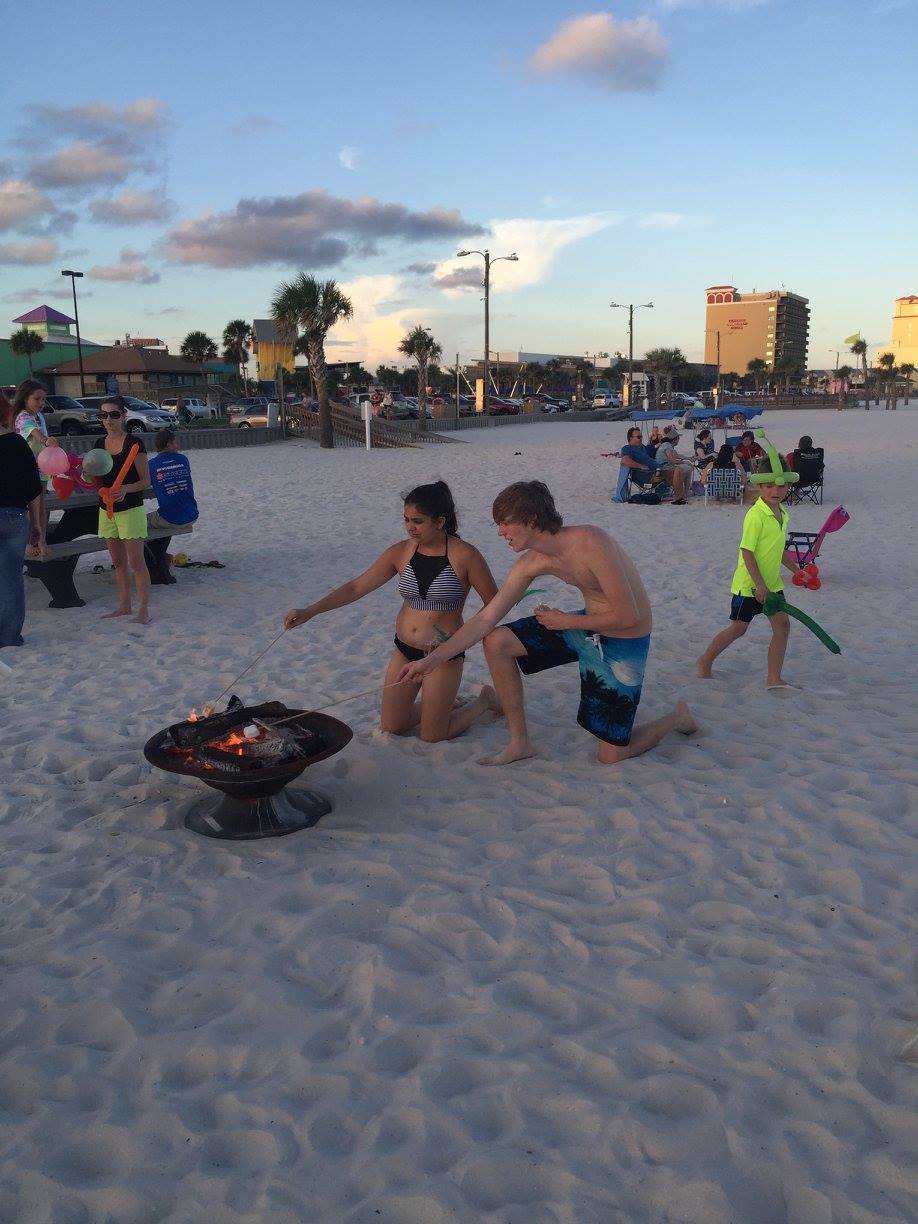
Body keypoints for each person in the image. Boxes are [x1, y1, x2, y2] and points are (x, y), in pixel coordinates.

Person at [397, 480, 697, 766]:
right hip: (583, 626)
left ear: (532, 519)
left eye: (505, 522)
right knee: (497, 640)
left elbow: (629, 616)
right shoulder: (531, 562)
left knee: (611, 756)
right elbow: (485, 619)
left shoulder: (591, 542)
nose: (500, 531)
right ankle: (519, 742)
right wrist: (432, 661)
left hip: (624, 636)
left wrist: (565, 621)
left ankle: (675, 719)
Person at [283, 481, 500, 743]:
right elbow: (355, 587)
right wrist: (311, 611)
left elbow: (494, 603)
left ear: (440, 521)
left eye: (418, 521)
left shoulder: (466, 555)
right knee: (392, 726)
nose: (410, 527)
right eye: (406, 519)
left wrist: (463, 639)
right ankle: (442, 705)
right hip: (405, 651)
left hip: (442, 654)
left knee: (432, 736)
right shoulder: (401, 552)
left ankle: (483, 701)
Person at [696, 461, 803, 689]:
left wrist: (797, 571)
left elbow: (779, 550)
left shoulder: (782, 513)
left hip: (773, 584)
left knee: (782, 627)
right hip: (750, 586)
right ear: (759, 487)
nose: (775, 491)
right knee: (738, 628)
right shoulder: (756, 515)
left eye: (780, 486)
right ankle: (705, 661)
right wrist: (759, 585)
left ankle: (774, 678)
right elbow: (747, 552)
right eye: (768, 486)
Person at [94, 395, 152, 624]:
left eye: (114, 414)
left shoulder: (134, 443)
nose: (109, 419)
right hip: (106, 508)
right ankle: (124, 606)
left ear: (123, 416)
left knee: (136, 561)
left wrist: (126, 488)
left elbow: (145, 480)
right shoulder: (99, 444)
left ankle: (143, 610)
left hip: (130, 509)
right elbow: (97, 477)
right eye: (104, 415)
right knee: (118, 562)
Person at [0, 390, 47, 647]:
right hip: (14, 516)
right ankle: (8, 636)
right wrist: (37, 525)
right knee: (11, 579)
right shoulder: (18, 444)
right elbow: (33, 488)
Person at [147, 429, 199, 529]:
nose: (177, 446)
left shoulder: (152, 464)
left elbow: (146, 483)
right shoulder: (183, 459)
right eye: (175, 443)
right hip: (192, 515)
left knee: (139, 523)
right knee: (165, 515)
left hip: (171, 519)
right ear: (168, 444)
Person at [11, 379, 61, 464]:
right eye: (37, 399)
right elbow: (34, 431)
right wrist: (45, 440)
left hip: (42, 462)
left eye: (43, 399)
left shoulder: (39, 415)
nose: (41, 403)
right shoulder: (23, 418)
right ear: (25, 398)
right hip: (27, 463)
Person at [654, 425, 693, 504]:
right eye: (678, 438)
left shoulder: (669, 446)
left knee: (688, 468)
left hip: (667, 467)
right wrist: (685, 462)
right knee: (688, 468)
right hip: (664, 469)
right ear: (675, 439)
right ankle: (684, 491)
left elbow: (677, 456)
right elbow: (673, 460)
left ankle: (685, 491)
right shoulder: (667, 446)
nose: (679, 440)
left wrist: (689, 458)